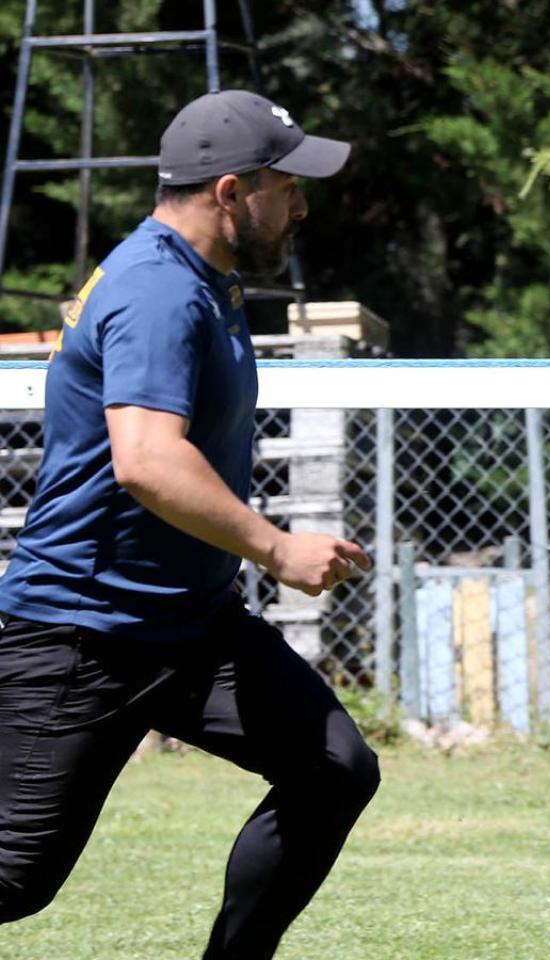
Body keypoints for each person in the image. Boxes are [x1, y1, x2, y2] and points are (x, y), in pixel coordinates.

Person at [0, 90, 379, 959]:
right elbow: (146, 460)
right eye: (289, 186)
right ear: (231, 191)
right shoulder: (159, 290)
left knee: (332, 771)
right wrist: (278, 547)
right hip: (83, 633)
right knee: (13, 878)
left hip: (190, 625)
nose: (303, 205)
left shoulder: (206, 279)